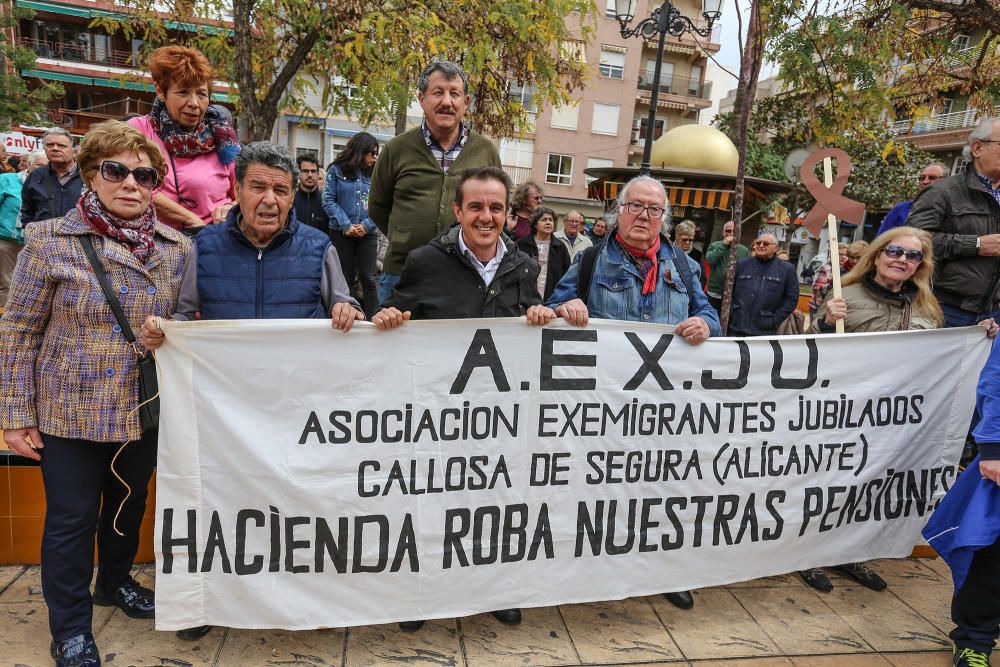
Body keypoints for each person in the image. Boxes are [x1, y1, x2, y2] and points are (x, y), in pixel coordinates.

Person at [139, 141, 362, 642]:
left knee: (302, 506)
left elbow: (342, 304)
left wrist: (347, 310)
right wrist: (162, 333)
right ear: (236, 190)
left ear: (291, 197)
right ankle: (203, 601)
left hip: (297, 411)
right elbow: (182, 314)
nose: (270, 199)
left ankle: (308, 599)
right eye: (258, 186)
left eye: (281, 190)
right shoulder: (205, 247)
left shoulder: (318, 246)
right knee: (218, 507)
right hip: (225, 416)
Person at [0, 120, 191, 667]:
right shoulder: (49, 242)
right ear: (91, 174)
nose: (130, 183)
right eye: (116, 170)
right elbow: (18, 330)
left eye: (144, 174)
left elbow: (186, 319)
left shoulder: (176, 248)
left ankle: (114, 582)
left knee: (127, 510)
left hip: (143, 405)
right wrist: (15, 415)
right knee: (71, 518)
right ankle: (71, 629)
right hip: (67, 409)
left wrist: (170, 327)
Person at [373, 167, 553, 631]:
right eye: (476, 206)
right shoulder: (425, 261)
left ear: (509, 215)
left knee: (494, 503)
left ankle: (494, 588)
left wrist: (538, 312)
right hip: (440, 418)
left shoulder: (524, 265)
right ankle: (419, 596)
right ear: (458, 211)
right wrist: (389, 314)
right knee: (430, 505)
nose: (486, 216)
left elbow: (530, 319)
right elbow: (395, 311)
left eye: (496, 207)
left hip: (499, 418)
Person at [547, 176, 719, 613]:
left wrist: (707, 326)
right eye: (636, 207)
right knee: (594, 493)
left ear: (665, 218)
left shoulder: (683, 265)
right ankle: (588, 568)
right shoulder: (588, 262)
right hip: (602, 410)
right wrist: (567, 309)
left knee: (658, 493)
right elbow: (552, 309)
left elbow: (708, 313)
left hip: (663, 411)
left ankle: (661, 572)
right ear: (618, 212)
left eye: (654, 210)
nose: (644, 216)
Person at [369, 60, 501, 305]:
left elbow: (497, 206)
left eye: (455, 94)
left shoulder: (486, 151)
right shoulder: (396, 149)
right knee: (393, 341)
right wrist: (404, 237)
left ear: (466, 102)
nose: (447, 102)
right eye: (438, 93)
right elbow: (378, 206)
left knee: (455, 343)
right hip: (402, 272)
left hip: (464, 274)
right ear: (421, 98)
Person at [128, 45, 238, 232]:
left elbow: (243, 192)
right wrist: (192, 220)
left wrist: (232, 208)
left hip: (213, 242)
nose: (194, 103)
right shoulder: (138, 131)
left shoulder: (223, 137)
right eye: (183, 92)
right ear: (161, 91)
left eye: (202, 94)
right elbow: (135, 186)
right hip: (154, 243)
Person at [909, 117, 1000, 327]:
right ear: (977, 148)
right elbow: (912, 244)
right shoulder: (941, 192)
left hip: (993, 315)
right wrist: (976, 245)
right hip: (945, 309)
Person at [323, 132, 379, 319]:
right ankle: (348, 318)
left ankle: (373, 319)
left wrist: (367, 225)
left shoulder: (377, 174)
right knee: (344, 279)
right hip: (340, 233)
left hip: (368, 234)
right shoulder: (336, 170)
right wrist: (346, 224)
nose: (374, 157)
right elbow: (328, 200)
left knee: (368, 278)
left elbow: (383, 205)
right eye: (371, 153)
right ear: (360, 152)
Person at [727, 233, 800, 337]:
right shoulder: (741, 265)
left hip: (764, 331)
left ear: (775, 248)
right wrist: (732, 313)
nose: (761, 245)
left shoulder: (786, 269)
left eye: (766, 243)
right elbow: (728, 292)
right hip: (736, 326)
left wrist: (774, 320)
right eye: (758, 243)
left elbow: (792, 298)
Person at [20, 127, 83, 225]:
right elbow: (27, 210)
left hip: (78, 238)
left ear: (74, 152)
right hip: (42, 238)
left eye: (61, 146)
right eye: (50, 145)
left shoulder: (87, 176)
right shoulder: (36, 175)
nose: (55, 148)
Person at [876, 162, 949, 236]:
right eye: (922, 178)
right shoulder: (900, 209)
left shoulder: (953, 211)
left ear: (945, 181)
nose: (925, 181)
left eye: (932, 177)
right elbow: (881, 239)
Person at [517, 205, 571, 301]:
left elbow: (567, 274)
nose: (548, 222)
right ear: (535, 224)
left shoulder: (560, 247)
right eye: (544, 220)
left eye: (551, 220)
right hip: (526, 298)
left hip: (552, 299)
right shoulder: (523, 244)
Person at [705, 220, 749, 314]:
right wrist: (724, 244)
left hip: (733, 295)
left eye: (734, 231)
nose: (731, 233)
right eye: (728, 231)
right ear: (723, 232)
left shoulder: (744, 250)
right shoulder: (715, 245)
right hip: (714, 294)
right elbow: (710, 261)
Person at [0, 168, 24, 305]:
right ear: (29, 164)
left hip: (32, 241)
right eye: (39, 164)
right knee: (6, 282)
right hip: (6, 240)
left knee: (24, 283)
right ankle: (4, 318)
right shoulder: (7, 179)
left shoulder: (48, 184)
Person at [293, 153, 329, 234]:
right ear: (299, 173)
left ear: (318, 174)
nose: (310, 175)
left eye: (313, 171)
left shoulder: (327, 202)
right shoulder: (290, 201)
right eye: (305, 171)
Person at [809, 243, 848, 317]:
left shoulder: (846, 270)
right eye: (840, 254)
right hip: (819, 307)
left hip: (837, 308)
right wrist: (833, 285)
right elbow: (816, 289)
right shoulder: (826, 268)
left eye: (846, 255)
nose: (844, 257)